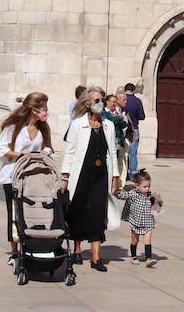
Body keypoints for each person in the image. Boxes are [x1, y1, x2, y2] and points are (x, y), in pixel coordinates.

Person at [62, 86, 119, 272]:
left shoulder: (108, 125)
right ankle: (77, 249)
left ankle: (96, 257)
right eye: (96, 100)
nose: (100, 103)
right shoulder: (78, 124)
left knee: (97, 212)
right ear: (87, 103)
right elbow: (69, 152)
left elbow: (112, 153)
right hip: (81, 174)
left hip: (100, 175)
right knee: (78, 210)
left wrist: (115, 177)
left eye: (102, 100)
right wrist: (65, 177)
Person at [0, 92, 52, 260]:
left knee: (31, 212)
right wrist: (20, 154)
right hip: (12, 175)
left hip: (33, 176)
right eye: (44, 108)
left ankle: (30, 245)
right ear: (34, 110)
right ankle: (14, 250)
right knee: (14, 213)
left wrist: (44, 152)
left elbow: (49, 146)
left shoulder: (42, 127)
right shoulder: (14, 127)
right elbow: (1, 150)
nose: (46, 111)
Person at [116, 170, 162, 266]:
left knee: (148, 240)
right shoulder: (133, 193)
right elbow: (123, 195)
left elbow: (158, 204)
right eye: (145, 187)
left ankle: (148, 258)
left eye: (149, 186)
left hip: (148, 222)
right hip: (135, 222)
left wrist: (158, 200)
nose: (147, 189)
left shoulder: (150, 195)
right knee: (134, 240)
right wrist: (115, 192)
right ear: (137, 186)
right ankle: (134, 257)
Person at [123, 82, 146, 176]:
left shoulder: (122, 100)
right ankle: (132, 175)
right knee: (133, 154)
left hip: (123, 129)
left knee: (123, 154)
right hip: (134, 129)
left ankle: (123, 175)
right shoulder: (137, 101)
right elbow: (142, 116)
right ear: (134, 90)